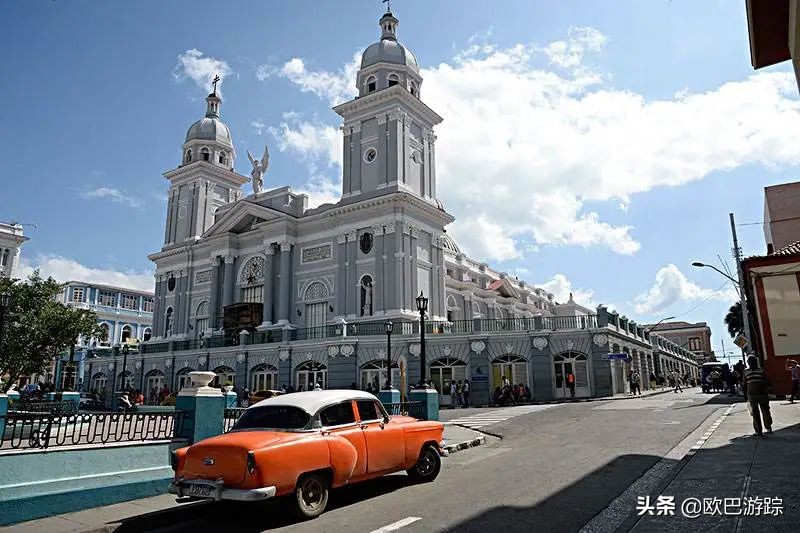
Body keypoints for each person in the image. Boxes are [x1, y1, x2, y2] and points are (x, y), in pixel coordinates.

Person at [743, 356, 773, 436]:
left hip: (762, 394)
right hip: (751, 395)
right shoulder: (746, 371)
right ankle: (758, 430)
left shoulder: (761, 370)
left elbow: (767, 380)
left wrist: (768, 389)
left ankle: (768, 427)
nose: (750, 362)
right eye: (749, 361)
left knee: (766, 411)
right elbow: (744, 383)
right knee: (755, 413)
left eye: (751, 361)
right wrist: (745, 395)